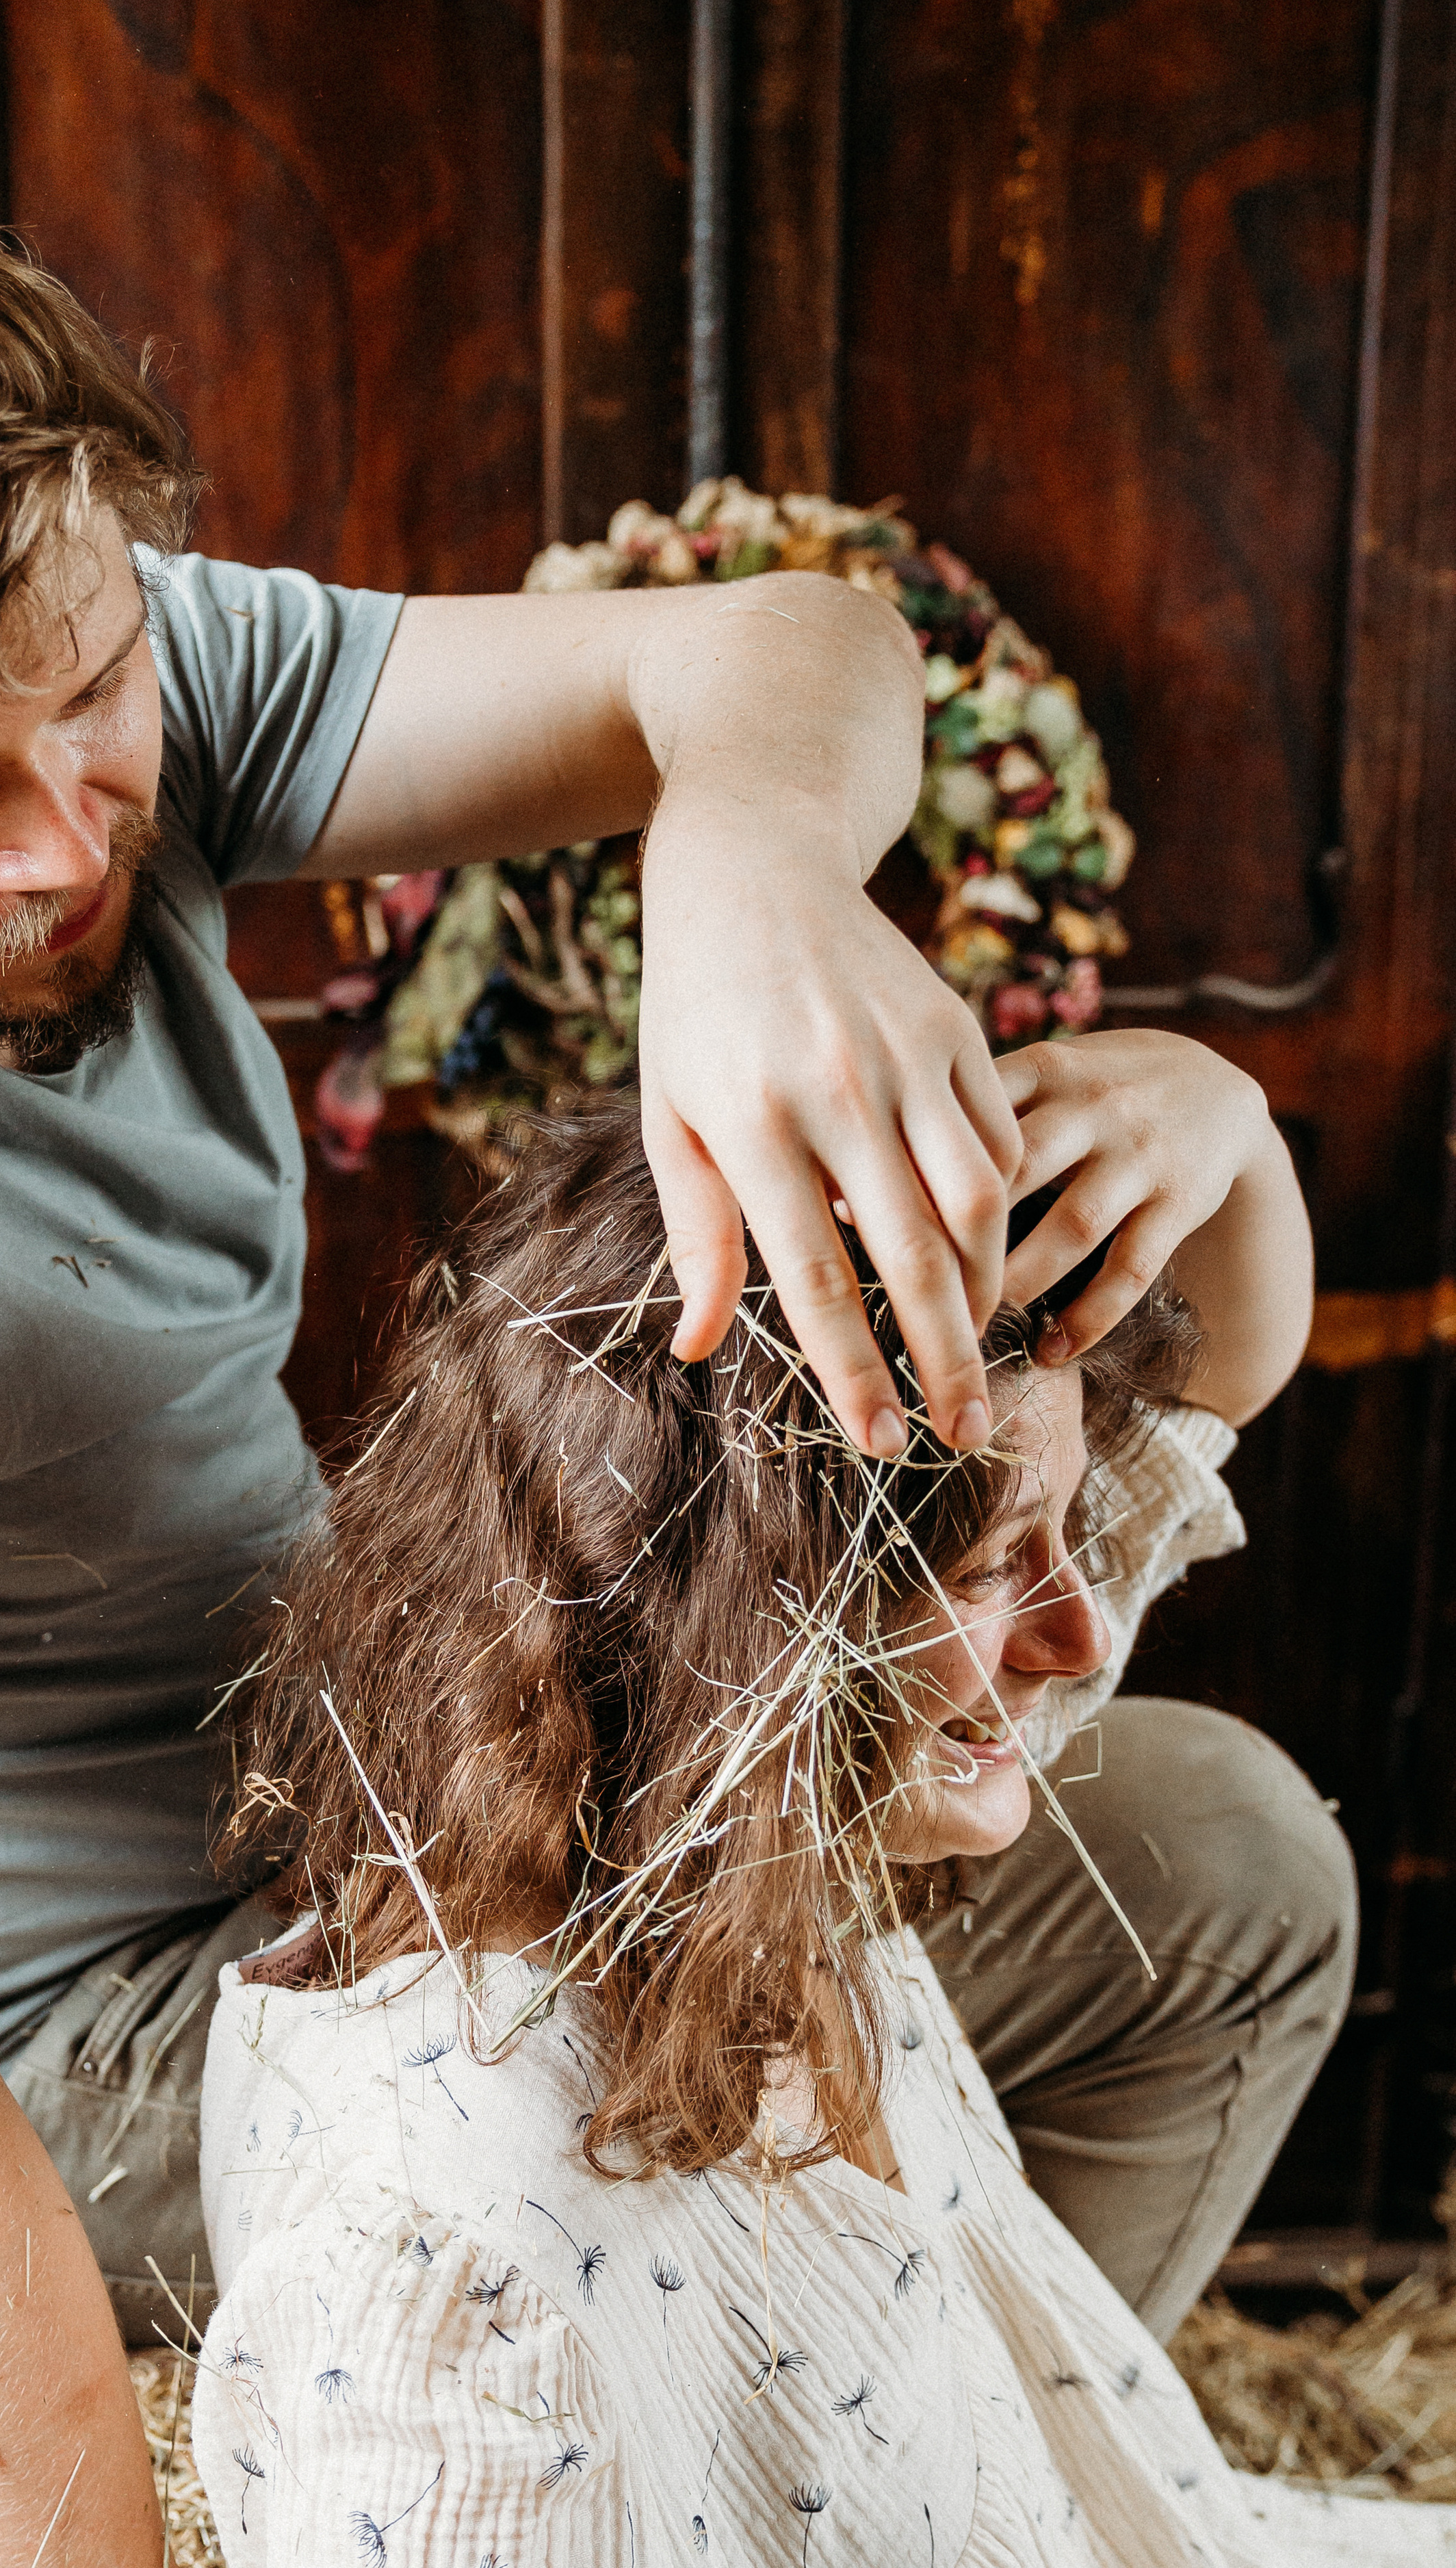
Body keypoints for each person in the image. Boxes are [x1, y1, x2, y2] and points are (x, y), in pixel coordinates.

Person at [0, 128, 1342, 2564]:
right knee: (538, 2128)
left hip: (426, 1778)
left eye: (97, 700)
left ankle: (910, 2497)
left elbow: (793, 647)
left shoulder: (74, 676)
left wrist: (749, 866)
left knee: (1219, 1866)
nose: (67, 846)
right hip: (134, 2015)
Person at [190, 1076, 1415, 2566]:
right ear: (732, 1619)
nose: (1078, 1638)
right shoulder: (445, 2279)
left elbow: (1229, 1360)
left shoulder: (751, 1812)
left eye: (1062, 1533)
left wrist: (1211, 1111)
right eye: (984, 1569)